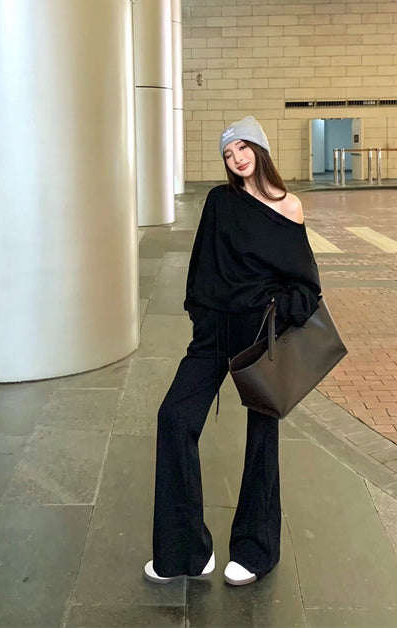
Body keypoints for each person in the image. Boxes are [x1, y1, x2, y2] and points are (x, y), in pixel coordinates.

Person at [144, 116, 321, 587]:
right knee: (174, 418)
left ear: (259, 149)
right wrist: (202, 316)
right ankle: (186, 551)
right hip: (212, 336)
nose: (237, 158)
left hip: (259, 337)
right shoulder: (220, 202)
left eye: (243, 148)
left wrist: (272, 308)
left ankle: (254, 551)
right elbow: (200, 265)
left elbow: (307, 287)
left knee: (262, 439)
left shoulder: (289, 208)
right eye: (228, 153)